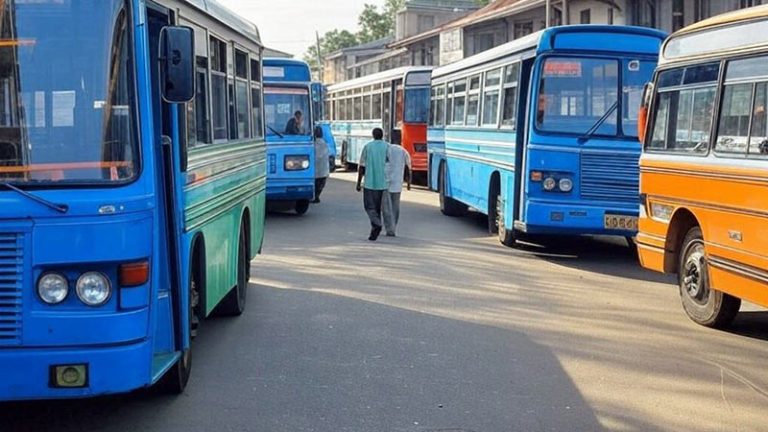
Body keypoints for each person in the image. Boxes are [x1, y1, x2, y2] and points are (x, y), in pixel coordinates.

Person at [356, 128, 389, 241]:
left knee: (369, 207)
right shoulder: (387, 147)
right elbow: (389, 163)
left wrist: (358, 182)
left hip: (370, 183)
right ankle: (373, 233)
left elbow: (362, 166)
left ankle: (377, 224)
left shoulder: (368, 147)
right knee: (377, 208)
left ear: (373, 135)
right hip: (382, 183)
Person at [382, 142, 411, 237]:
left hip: (386, 181)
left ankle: (389, 228)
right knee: (395, 206)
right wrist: (408, 184)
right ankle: (393, 226)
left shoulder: (386, 149)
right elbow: (408, 168)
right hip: (397, 182)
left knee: (386, 207)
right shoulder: (403, 151)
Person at [313, 126, 330, 203]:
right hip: (323, 170)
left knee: (316, 183)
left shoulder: (313, 144)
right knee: (321, 184)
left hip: (315, 170)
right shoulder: (325, 144)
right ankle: (317, 196)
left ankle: (315, 196)